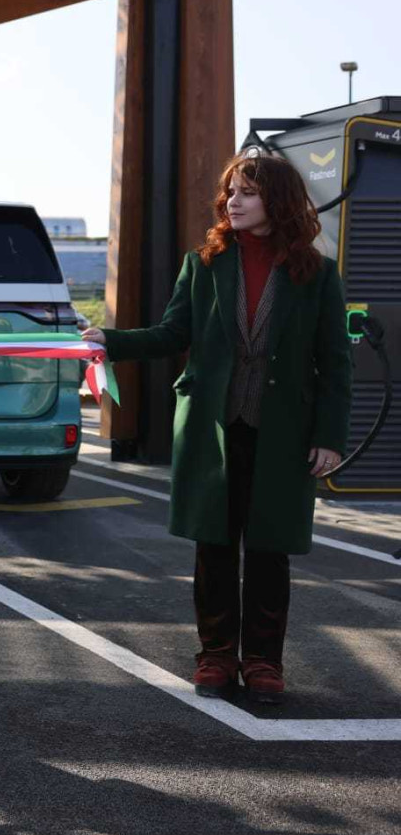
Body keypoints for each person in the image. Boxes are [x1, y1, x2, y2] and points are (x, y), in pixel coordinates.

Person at [84, 151, 351, 705]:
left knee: (270, 549)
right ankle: (216, 655)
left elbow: (334, 362)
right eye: (230, 192)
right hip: (212, 428)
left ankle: (262, 662)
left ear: (276, 201)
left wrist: (329, 436)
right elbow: (170, 332)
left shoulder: (317, 273)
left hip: (284, 431)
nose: (233, 201)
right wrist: (109, 340)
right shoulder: (203, 264)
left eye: (247, 192)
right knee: (214, 546)